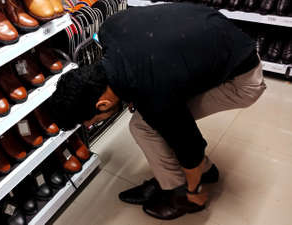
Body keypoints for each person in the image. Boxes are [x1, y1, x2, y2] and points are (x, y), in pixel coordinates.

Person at [48, 2, 266, 220]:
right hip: (218, 39)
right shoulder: (108, 30)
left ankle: (181, 192)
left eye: (92, 121)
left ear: (102, 104)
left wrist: (194, 192)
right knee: (155, 119)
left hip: (242, 80)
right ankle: (190, 174)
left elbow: (190, 146)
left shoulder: (154, 94)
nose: (91, 125)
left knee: (144, 126)